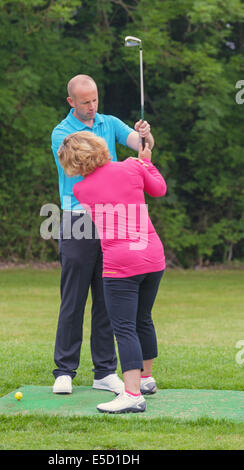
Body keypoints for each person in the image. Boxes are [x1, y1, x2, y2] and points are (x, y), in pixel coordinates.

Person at [51, 74, 155, 395]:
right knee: (74, 297)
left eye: (95, 99)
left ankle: (104, 371)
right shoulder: (62, 133)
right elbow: (84, 166)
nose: (92, 106)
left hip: (109, 221)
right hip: (77, 219)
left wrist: (144, 138)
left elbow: (141, 148)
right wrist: (122, 167)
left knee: (108, 297)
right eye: (85, 102)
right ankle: (64, 370)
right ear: (71, 102)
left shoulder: (109, 122)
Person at [58, 131, 166, 413]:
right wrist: (146, 163)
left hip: (121, 264)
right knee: (143, 318)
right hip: (153, 256)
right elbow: (159, 189)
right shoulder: (132, 166)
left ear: (76, 164)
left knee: (125, 328)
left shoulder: (81, 190)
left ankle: (132, 395)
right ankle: (146, 379)